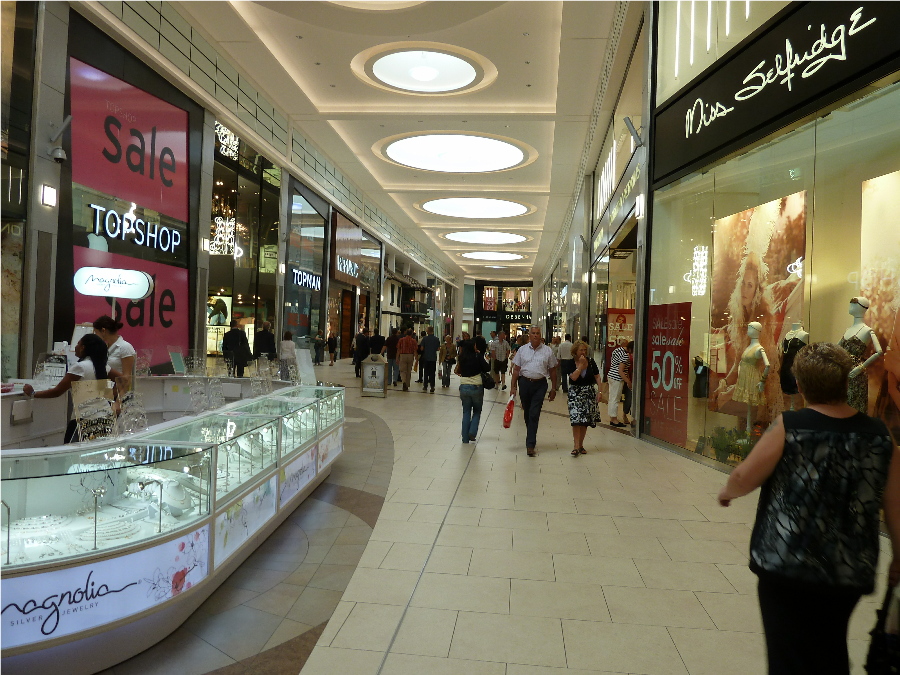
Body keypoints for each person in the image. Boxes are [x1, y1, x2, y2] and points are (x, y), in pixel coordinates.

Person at [717, 343, 900, 675]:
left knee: (787, 654)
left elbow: (745, 475)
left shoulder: (791, 425)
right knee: (830, 649)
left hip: (786, 562)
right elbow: (896, 506)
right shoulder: (880, 436)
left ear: (799, 385)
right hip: (848, 568)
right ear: (846, 383)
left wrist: (728, 492)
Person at [23, 334, 121, 443]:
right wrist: (111, 396)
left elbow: (57, 391)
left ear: (83, 347)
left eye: (78, 344)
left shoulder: (80, 367)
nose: (75, 347)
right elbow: (123, 380)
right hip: (104, 417)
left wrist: (33, 393)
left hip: (84, 419)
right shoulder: (102, 367)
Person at [509, 326, 559, 457]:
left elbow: (553, 371)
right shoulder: (522, 350)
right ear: (529, 335)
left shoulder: (547, 351)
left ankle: (530, 444)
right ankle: (531, 432)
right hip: (524, 383)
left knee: (534, 413)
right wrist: (513, 386)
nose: (536, 335)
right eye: (533, 333)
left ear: (540, 336)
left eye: (538, 333)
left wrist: (553, 388)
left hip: (540, 384)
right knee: (527, 411)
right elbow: (516, 369)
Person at [566, 340, 602, 456]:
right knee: (576, 419)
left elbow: (597, 377)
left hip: (588, 392)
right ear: (575, 351)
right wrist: (580, 366)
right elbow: (574, 378)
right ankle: (576, 446)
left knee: (585, 420)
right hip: (575, 393)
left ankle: (581, 445)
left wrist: (600, 391)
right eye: (581, 350)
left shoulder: (591, 362)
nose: (583, 352)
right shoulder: (571, 363)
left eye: (585, 350)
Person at [455, 338, 489, 443]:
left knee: (466, 412)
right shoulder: (477, 356)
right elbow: (487, 368)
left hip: (464, 386)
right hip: (476, 386)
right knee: (477, 411)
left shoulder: (461, 357)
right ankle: (472, 432)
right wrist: (483, 358)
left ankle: (465, 438)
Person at [92, 315, 136, 391]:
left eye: (96, 333)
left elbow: (127, 378)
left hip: (118, 393)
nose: (95, 336)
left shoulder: (125, 347)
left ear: (103, 331)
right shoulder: (104, 347)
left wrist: (118, 401)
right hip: (105, 391)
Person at [607, 340, 633, 427]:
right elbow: (621, 371)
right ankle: (614, 419)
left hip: (611, 375)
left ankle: (612, 417)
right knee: (615, 399)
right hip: (617, 378)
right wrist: (628, 381)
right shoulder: (625, 356)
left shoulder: (617, 350)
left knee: (612, 398)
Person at [419, 327, 441, 393]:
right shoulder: (436, 339)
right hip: (433, 358)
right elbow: (438, 348)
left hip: (426, 357)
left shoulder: (425, 339)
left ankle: (425, 386)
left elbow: (422, 348)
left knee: (426, 372)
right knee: (432, 373)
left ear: (428, 331)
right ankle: (432, 386)